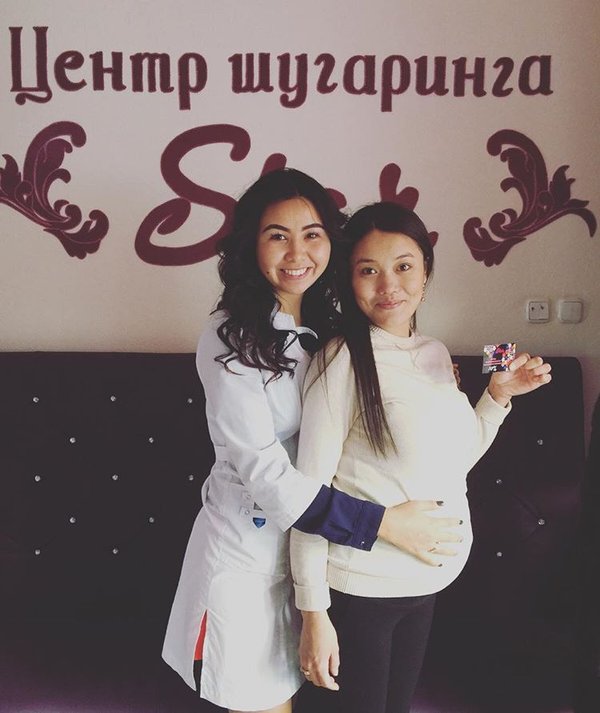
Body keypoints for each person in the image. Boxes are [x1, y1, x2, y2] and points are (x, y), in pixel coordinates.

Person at [162, 172, 464, 713]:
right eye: (277, 236)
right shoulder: (231, 338)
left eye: (313, 234)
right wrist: (382, 524)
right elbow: (266, 473)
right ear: (251, 244)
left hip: (320, 563)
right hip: (251, 554)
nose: (297, 253)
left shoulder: (329, 328)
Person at [290, 201, 552, 713]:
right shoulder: (340, 359)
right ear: (348, 280)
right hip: (361, 592)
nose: (389, 285)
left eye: (404, 266)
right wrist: (313, 614)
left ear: (425, 274)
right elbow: (308, 497)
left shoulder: (434, 352)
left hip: (427, 585)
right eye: (369, 270)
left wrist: (497, 397)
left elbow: (454, 464)